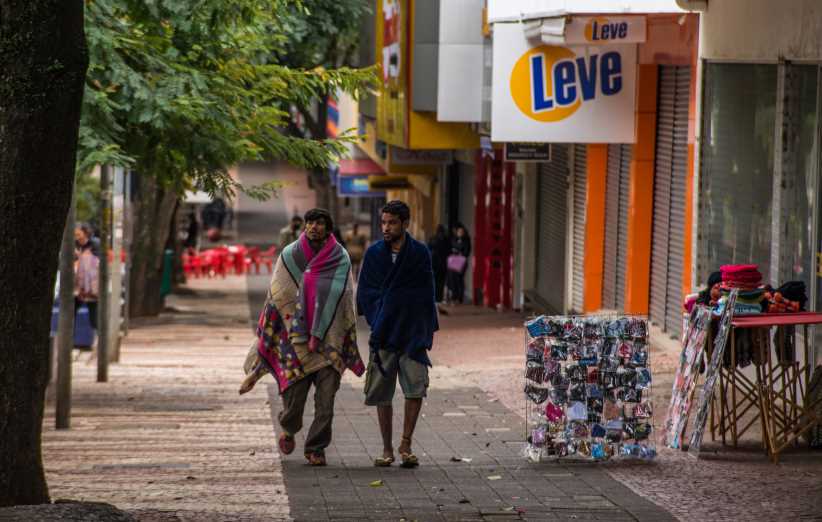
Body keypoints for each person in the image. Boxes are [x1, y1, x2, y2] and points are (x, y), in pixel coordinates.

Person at [240, 208, 364, 467]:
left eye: (319, 223)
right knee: (294, 402)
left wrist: (334, 328)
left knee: (326, 402)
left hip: (329, 341)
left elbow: (344, 296)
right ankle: (288, 428)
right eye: (310, 223)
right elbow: (279, 293)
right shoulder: (290, 255)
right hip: (293, 341)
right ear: (304, 226)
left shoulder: (340, 258)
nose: (314, 227)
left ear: (328, 228)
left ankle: (316, 448)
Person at [357, 200, 439, 468]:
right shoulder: (373, 254)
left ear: (405, 224)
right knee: (382, 392)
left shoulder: (419, 253)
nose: (386, 227)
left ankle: (406, 443)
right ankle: (386, 449)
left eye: (392, 222)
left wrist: (425, 328)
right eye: (383, 222)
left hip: (413, 332)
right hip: (384, 333)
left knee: (415, 388)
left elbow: (427, 292)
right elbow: (366, 292)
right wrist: (380, 312)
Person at [74, 223, 100, 332]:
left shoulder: (95, 244)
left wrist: (81, 256)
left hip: (90, 284)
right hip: (77, 284)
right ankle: (69, 341)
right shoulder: (73, 244)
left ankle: (100, 337)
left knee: (93, 314)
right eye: (75, 234)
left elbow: (97, 262)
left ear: (85, 233)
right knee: (70, 311)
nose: (77, 236)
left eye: (79, 233)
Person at [446, 222, 471, 304]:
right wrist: (458, 250)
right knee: (452, 278)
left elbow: (465, 252)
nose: (460, 233)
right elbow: (452, 248)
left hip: (462, 261)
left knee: (459, 279)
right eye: (459, 232)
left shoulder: (466, 240)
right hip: (454, 261)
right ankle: (454, 296)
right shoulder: (454, 239)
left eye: (461, 232)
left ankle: (459, 297)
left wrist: (457, 250)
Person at [427, 224, 450, 303]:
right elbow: (449, 251)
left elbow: (428, 248)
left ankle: (435, 297)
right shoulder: (446, 239)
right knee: (442, 281)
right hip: (443, 264)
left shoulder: (432, 238)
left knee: (435, 281)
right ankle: (440, 298)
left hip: (434, 263)